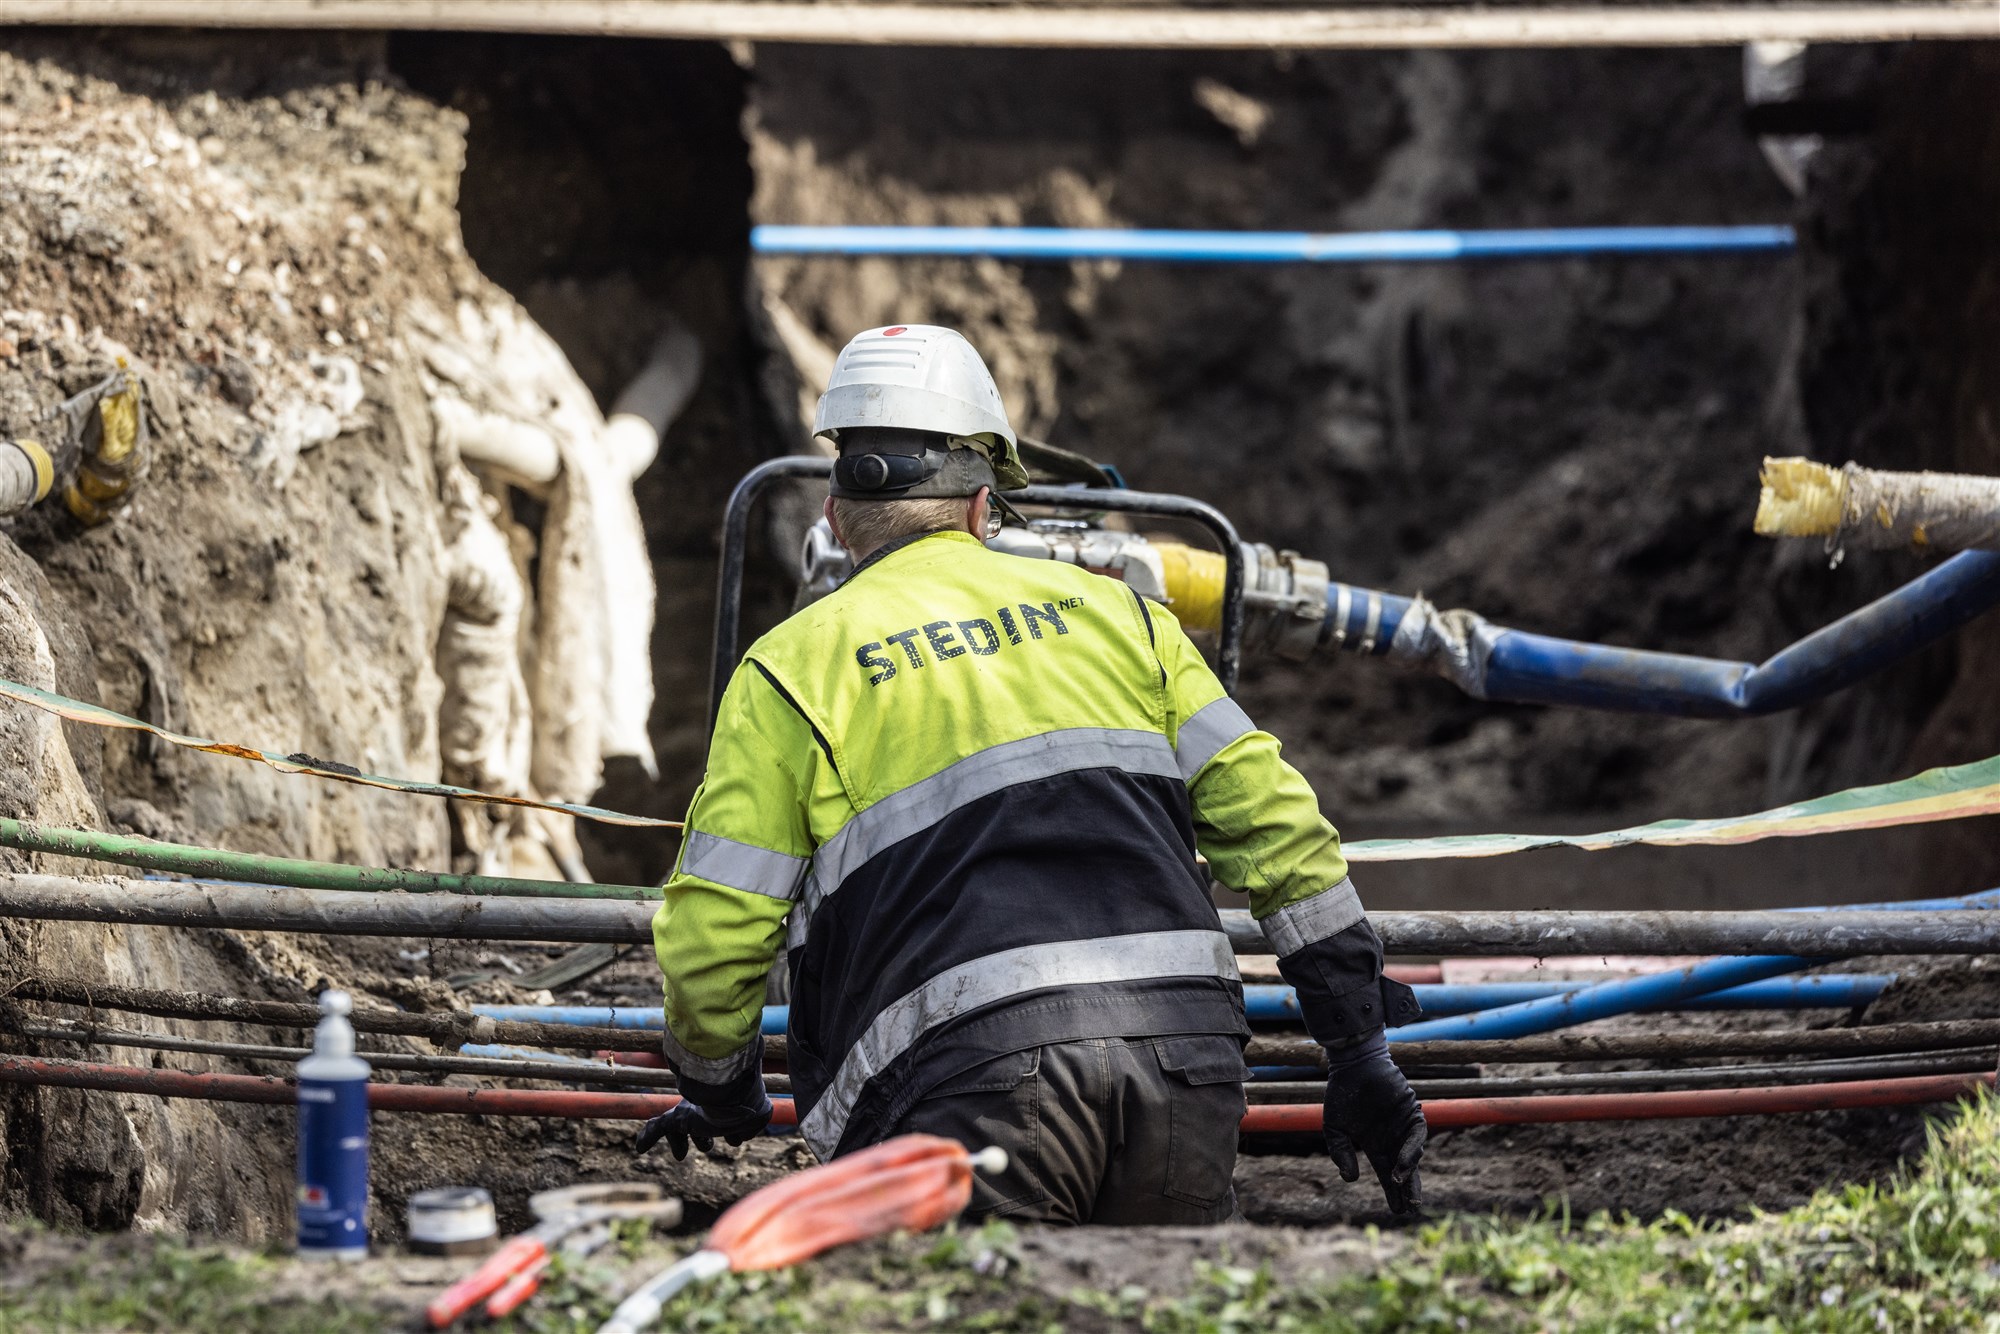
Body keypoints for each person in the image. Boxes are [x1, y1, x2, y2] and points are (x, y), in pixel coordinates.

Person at [636, 324, 1425, 1222]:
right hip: (1188, 1065)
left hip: (963, 1084)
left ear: (835, 516)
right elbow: (1284, 835)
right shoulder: (1125, 617)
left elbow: (715, 935)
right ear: (982, 508)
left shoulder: (789, 670)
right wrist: (1359, 1051)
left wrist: (725, 1090)